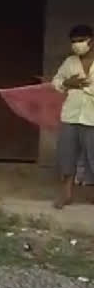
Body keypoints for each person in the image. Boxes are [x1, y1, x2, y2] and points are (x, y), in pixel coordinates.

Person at [52, 24, 94, 209]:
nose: (77, 45)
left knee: (93, 157)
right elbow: (56, 82)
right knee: (66, 155)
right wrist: (67, 83)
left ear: (91, 41)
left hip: (92, 117)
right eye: (74, 42)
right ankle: (66, 194)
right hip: (70, 115)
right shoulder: (70, 62)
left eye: (81, 40)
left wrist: (82, 86)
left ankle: (91, 194)